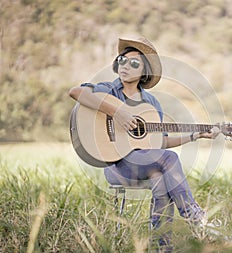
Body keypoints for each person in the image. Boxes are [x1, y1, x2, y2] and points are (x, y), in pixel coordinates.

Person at [69, 37, 220, 251]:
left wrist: (195, 135)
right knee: (170, 160)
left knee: (161, 178)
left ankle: (163, 248)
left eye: (133, 63)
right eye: (122, 60)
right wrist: (117, 111)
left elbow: (161, 142)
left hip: (144, 165)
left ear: (144, 71)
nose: (125, 66)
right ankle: (195, 218)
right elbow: (76, 92)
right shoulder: (109, 90)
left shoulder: (151, 104)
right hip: (116, 166)